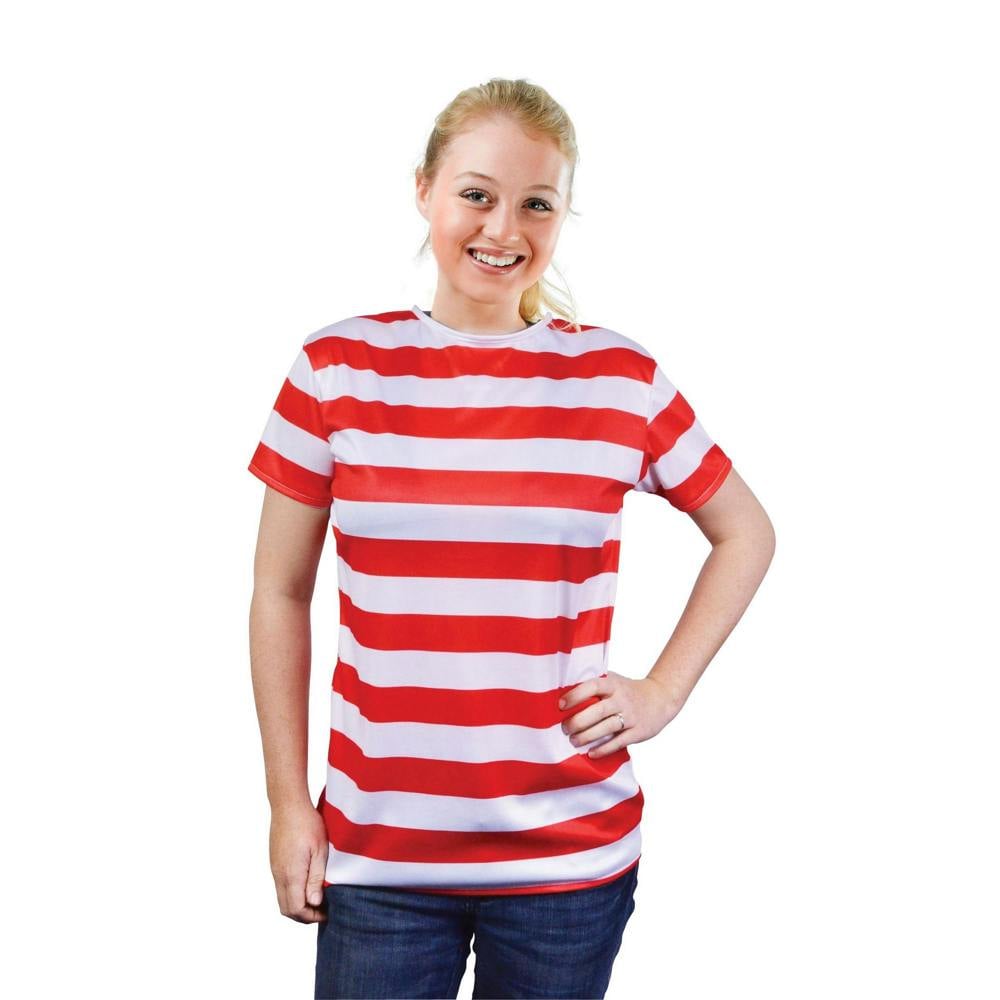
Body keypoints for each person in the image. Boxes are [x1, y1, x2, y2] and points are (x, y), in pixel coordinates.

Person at [248, 77, 775, 1000]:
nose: (503, 229)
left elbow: (746, 532)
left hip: (567, 860)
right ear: (425, 190)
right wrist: (289, 804)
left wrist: (663, 690)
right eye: (476, 194)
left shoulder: (618, 377)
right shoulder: (336, 369)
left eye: (537, 203)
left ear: (563, 215)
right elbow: (279, 593)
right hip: (377, 857)